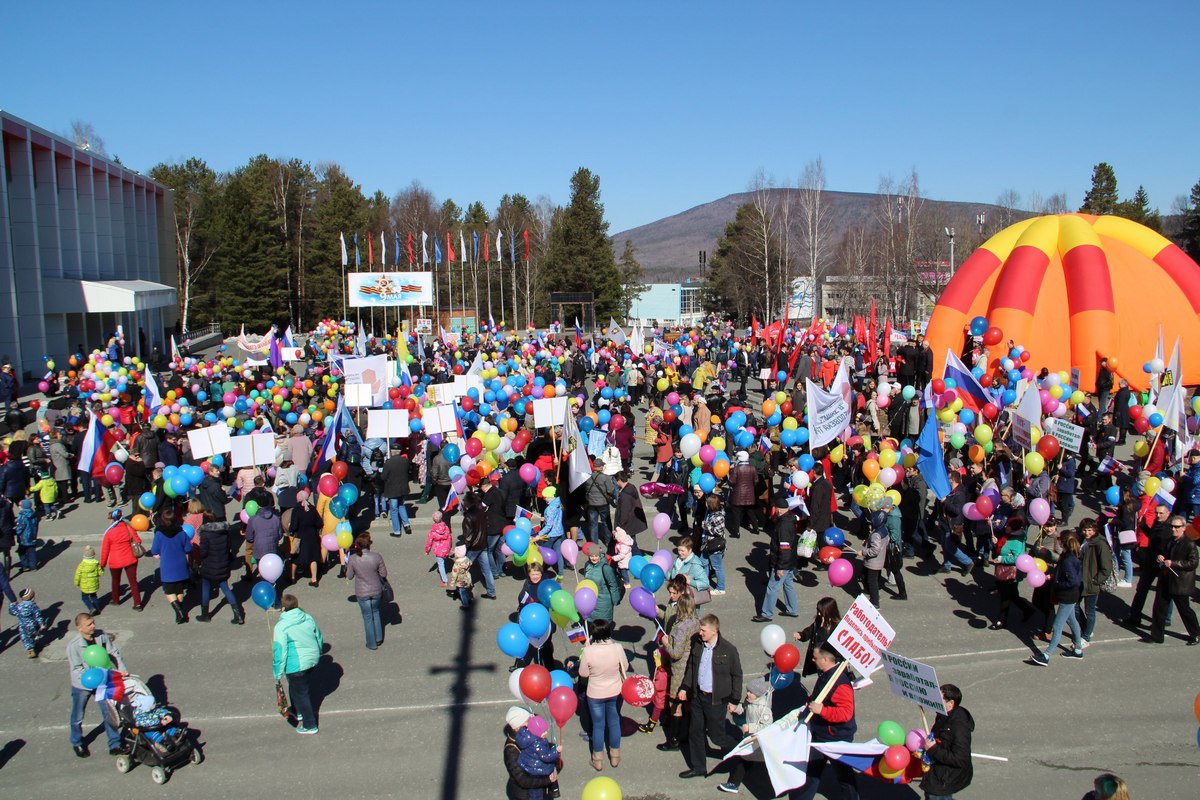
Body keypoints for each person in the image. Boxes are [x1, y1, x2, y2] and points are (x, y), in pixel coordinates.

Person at [678, 613, 742, 780]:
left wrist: (734, 700)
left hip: (716, 701)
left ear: (715, 631)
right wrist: (685, 687)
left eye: (703, 630)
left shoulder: (728, 650)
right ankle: (699, 767)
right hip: (698, 697)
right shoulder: (698, 645)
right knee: (695, 732)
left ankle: (741, 753)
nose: (700, 633)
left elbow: (737, 675)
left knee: (717, 736)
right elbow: (691, 667)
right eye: (700, 629)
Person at [791, 642, 858, 800]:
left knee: (845, 777)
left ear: (826, 660)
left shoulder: (840, 683)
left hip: (837, 738)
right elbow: (820, 697)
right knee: (811, 773)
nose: (813, 661)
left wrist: (822, 710)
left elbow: (846, 713)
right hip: (821, 734)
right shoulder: (826, 676)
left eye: (815, 658)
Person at [67, 612, 125, 757]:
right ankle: (77, 742)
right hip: (82, 685)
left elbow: (113, 653)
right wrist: (90, 679)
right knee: (78, 715)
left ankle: (115, 744)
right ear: (79, 628)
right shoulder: (73, 646)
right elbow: (77, 669)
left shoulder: (101, 636)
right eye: (89, 625)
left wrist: (121, 669)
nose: (93, 626)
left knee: (109, 712)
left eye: (93, 623)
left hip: (102, 680)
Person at [579, 617, 629, 771]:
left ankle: (598, 759)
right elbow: (625, 667)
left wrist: (586, 650)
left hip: (595, 693)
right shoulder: (617, 648)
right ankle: (615, 757)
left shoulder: (588, 651)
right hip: (615, 691)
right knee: (614, 723)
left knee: (598, 726)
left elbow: (583, 673)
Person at [1028, 531, 1085, 665]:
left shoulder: (1068, 560)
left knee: (1057, 625)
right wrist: (1054, 576)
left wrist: (1057, 582)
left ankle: (1046, 656)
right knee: (1072, 621)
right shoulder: (1068, 556)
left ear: (1063, 543)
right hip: (1070, 595)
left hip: (1067, 596)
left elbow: (1073, 581)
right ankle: (1077, 650)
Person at [272, 593, 324, 734]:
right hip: (312, 659)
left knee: (302, 693)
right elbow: (318, 636)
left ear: (283, 608)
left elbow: (280, 652)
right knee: (297, 687)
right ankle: (297, 710)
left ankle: (309, 724)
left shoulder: (281, 627)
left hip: (296, 664)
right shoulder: (307, 617)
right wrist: (318, 652)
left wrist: (277, 673)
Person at [1143, 515, 1200, 645]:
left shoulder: (1189, 543)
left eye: (1177, 527)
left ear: (1184, 528)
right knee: (1159, 608)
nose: (1174, 529)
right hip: (1166, 579)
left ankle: (1195, 633)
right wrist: (1161, 557)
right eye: (1172, 526)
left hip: (1180, 582)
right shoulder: (1170, 541)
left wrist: (1173, 563)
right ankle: (1157, 636)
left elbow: (1193, 563)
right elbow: (1166, 555)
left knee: (1184, 610)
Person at [717, 675, 774, 794]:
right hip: (750, 737)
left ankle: (734, 784)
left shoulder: (764, 709)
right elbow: (743, 708)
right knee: (750, 761)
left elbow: (768, 727)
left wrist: (751, 727)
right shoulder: (750, 702)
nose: (747, 694)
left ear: (757, 694)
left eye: (750, 692)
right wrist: (735, 709)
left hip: (758, 740)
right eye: (748, 691)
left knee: (744, 760)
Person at [920, 684, 974, 800]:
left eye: (939, 699)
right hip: (939, 772)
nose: (935, 701)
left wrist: (933, 749)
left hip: (944, 779)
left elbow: (960, 759)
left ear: (951, 703)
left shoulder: (959, 726)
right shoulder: (943, 715)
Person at [753, 496, 800, 622]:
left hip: (783, 563)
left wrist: (780, 566)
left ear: (779, 510)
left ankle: (766, 613)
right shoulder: (790, 520)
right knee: (788, 585)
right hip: (790, 561)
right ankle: (793, 609)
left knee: (772, 587)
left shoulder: (783, 525)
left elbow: (784, 548)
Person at [1126, 503, 1173, 627]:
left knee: (1164, 592)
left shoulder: (1170, 528)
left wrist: (1166, 558)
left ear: (1168, 513)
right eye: (1157, 513)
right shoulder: (1158, 523)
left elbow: (1170, 546)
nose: (1158, 515)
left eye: (1161, 513)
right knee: (1141, 589)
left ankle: (1165, 618)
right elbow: (1153, 537)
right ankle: (1135, 616)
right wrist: (1144, 526)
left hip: (1162, 563)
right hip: (1150, 561)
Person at [196, 510, 245, 624]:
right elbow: (229, 548)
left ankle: (205, 614)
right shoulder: (224, 532)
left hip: (209, 566)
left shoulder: (205, 534)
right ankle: (238, 615)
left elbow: (203, 553)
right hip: (223, 565)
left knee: (206, 588)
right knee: (226, 589)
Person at [345, 533, 389, 650]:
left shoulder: (353, 559)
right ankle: (379, 638)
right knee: (376, 612)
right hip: (376, 590)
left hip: (362, 592)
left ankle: (371, 643)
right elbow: (383, 574)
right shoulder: (376, 556)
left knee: (367, 617)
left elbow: (349, 576)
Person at [504, 707, 558, 800]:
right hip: (526, 795)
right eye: (527, 721)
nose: (531, 723)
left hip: (541, 789)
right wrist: (547, 780)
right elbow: (523, 780)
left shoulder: (531, 737)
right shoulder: (511, 751)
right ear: (517, 727)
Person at [150, 506, 193, 624]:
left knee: (169, 591)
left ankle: (179, 612)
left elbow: (154, 550)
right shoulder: (181, 533)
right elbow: (188, 548)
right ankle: (180, 611)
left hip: (167, 566)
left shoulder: (159, 534)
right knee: (179, 589)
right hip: (180, 565)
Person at [1077, 517, 1114, 646]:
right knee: (1074, 607)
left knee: (1090, 611)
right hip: (1081, 580)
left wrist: (1095, 581)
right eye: (1084, 530)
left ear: (1095, 530)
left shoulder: (1100, 544)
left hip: (1091, 582)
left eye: (1090, 530)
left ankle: (1086, 637)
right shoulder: (1085, 541)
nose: (1087, 533)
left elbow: (1106, 568)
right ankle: (1087, 628)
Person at [99, 509, 143, 610]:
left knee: (115, 581)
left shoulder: (109, 533)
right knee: (133, 582)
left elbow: (105, 550)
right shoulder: (128, 528)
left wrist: (102, 564)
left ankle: (116, 599)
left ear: (112, 519)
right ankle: (138, 604)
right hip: (130, 559)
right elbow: (138, 541)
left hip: (115, 561)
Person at [461, 490, 496, 599]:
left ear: (468, 502)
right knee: (487, 570)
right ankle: (492, 592)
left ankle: (463, 592)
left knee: (463, 570)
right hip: (483, 544)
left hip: (474, 547)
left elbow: (467, 537)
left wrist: (465, 547)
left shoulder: (468, 517)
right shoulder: (482, 512)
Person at [795, 596, 841, 677]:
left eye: (821, 612)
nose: (819, 614)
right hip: (819, 659)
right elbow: (810, 630)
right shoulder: (819, 621)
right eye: (818, 611)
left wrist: (823, 627)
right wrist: (801, 635)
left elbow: (825, 639)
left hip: (829, 662)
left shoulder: (837, 627)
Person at [580, 542, 622, 623]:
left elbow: (613, 584)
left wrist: (615, 599)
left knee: (603, 625)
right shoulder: (587, 565)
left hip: (604, 601)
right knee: (593, 624)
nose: (594, 558)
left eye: (596, 556)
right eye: (592, 556)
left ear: (599, 556)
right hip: (591, 600)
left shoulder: (605, 568)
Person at [289, 489, 323, 586]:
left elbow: (294, 526)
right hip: (312, 536)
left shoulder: (296, 510)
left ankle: (292, 577)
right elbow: (319, 523)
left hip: (300, 537)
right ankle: (314, 579)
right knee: (313, 557)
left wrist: (291, 531)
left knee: (295, 557)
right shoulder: (312, 509)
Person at [700, 494, 728, 594]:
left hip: (714, 545)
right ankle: (705, 584)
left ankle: (721, 588)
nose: (705, 505)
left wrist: (706, 526)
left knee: (717, 567)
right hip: (706, 543)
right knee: (703, 563)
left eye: (707, 503)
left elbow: (719, 532)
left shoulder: (718, 517)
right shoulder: (710, 513)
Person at [382, 443, 412, 537]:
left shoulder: (388, 462)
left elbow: (383, 477)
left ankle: (397, 531)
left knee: (394, 509)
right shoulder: (405, 461)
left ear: (392, 451)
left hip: (392, 489)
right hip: (403, 488)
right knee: (402, 506)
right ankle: (407, 525)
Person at [8, 587, 47, 657]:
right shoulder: (32, 605)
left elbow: (12, 612)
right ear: (31, 597)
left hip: (23, 626)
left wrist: (12, 604)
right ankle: (35, 644)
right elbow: (38, 615)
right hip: (33, 625)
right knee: (34, 635)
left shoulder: (19, 606)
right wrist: (42, 624)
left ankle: (30, 650)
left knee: (25, 637)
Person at [424, 509, 453, 586]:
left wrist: (427, 550)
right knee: (443, 560)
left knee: (440, 565)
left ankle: (444, 581)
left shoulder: (433, 531)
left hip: (438, 549)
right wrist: (450, 547)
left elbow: (429, 542)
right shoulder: (446, 527)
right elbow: (450, 538)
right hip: (446, 548)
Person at [74, 544, 103, 614]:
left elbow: (77, 575)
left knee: (85, 598)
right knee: (94, 596)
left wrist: (77, 583)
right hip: (93, 584)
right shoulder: (96, 564)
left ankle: (91, 608)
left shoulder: (82, 565)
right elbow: (101, 573)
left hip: (84, 585)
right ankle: (98, 609)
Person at [449, 545, 473, 610]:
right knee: (466, 590)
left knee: (462, 592)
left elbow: (454, 574)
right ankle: (469, 599)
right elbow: (470, 563)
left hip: (461, 580)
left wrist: (452, 583)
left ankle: (465, 605)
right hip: (467, 577)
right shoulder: (466, 559)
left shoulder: (457, 564)